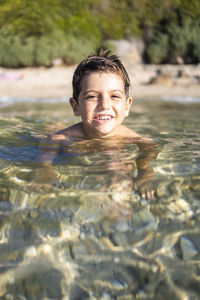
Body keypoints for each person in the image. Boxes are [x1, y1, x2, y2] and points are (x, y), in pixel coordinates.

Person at [37, 50, 157, 200]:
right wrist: (46, 171)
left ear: (127, 107)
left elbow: (150, 147)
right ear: (75, 106)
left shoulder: (131, 138)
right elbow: (47, 151)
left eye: (114, 96)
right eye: (92, 96)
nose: (104, 105)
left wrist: (144, 173)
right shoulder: (62, 138)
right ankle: (54, 123)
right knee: (51, 129)